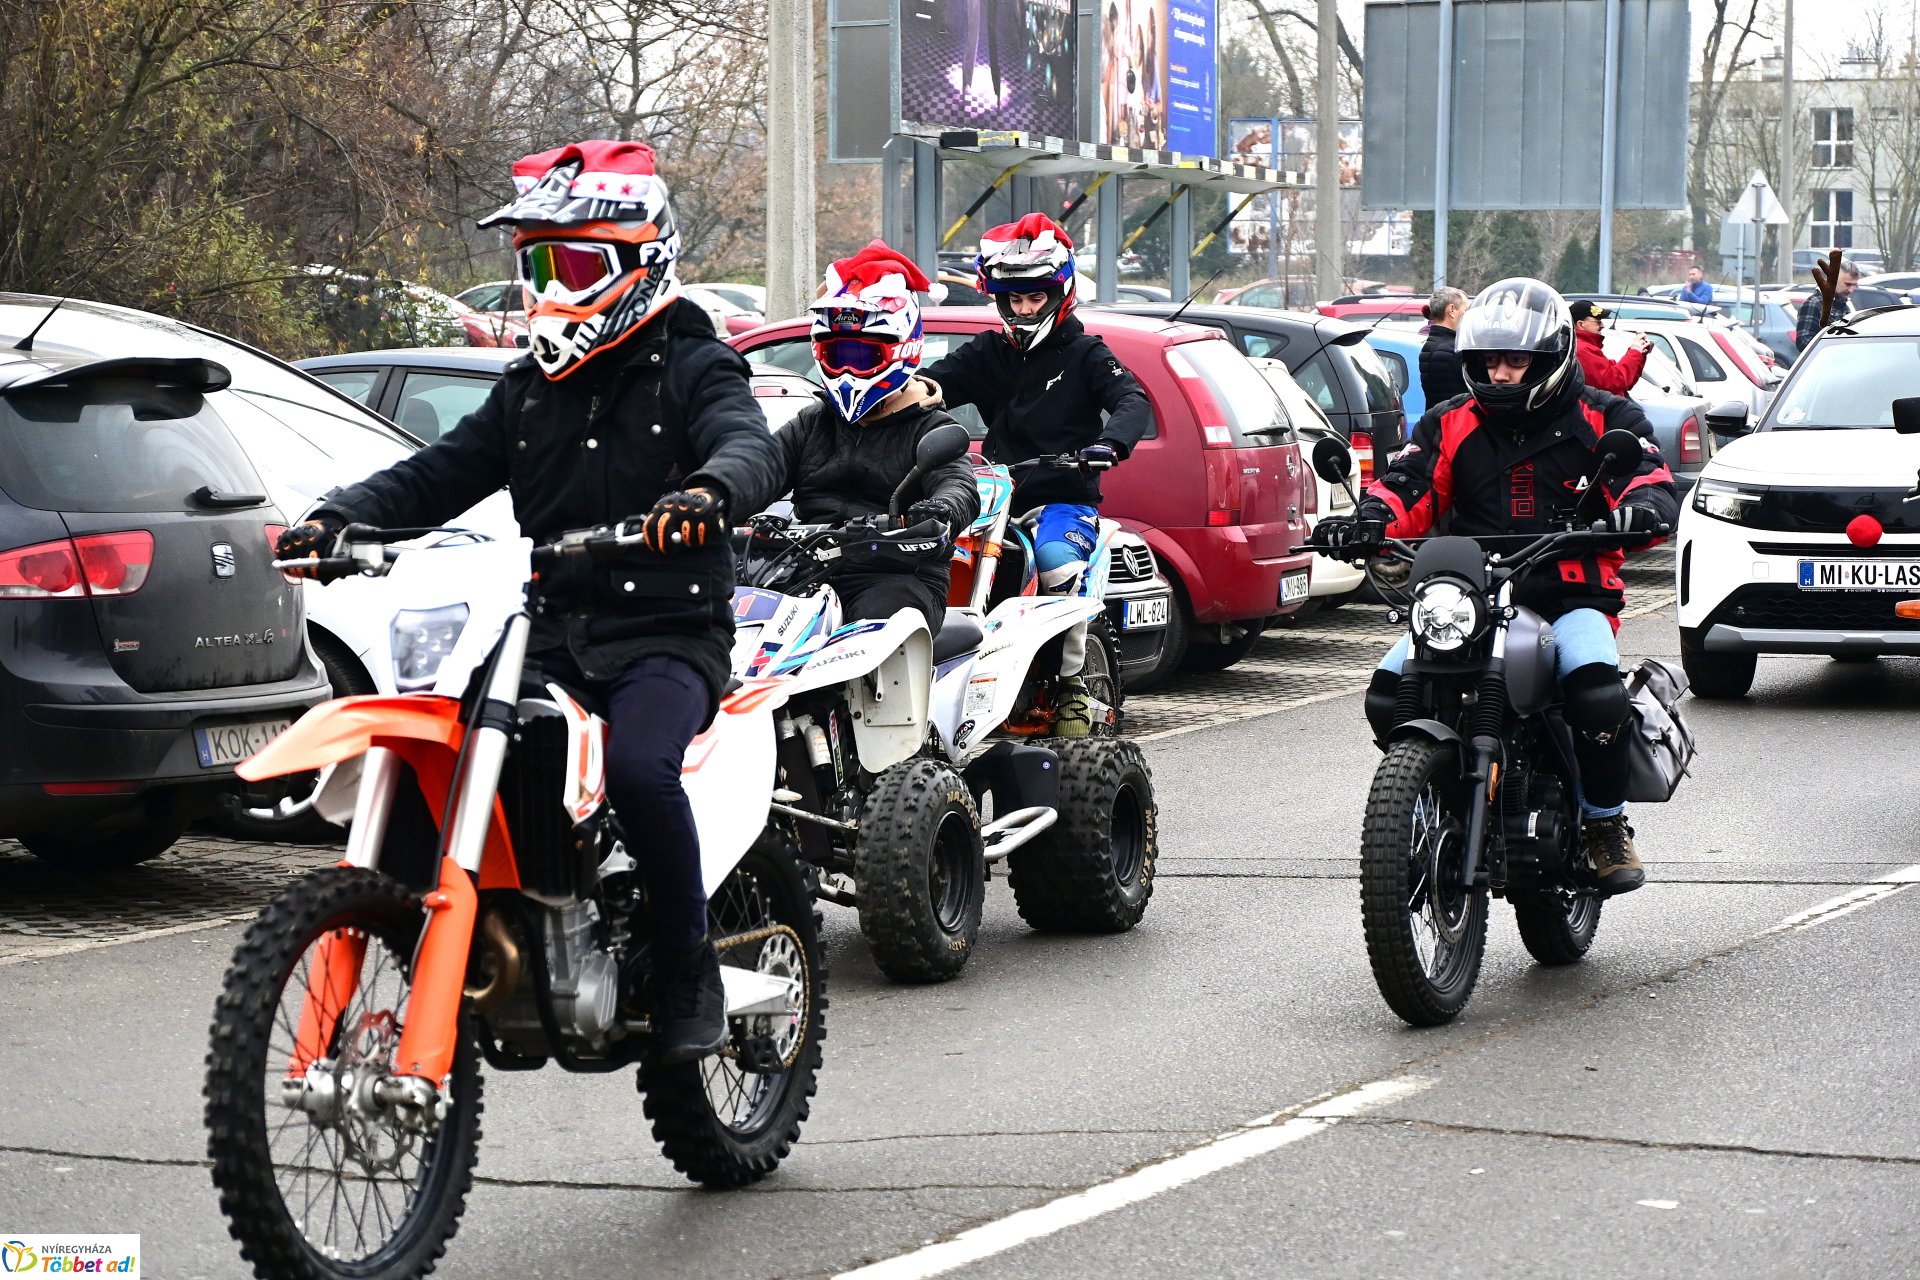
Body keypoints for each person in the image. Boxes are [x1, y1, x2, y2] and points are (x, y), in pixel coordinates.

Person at [274, 141, 784, 1064]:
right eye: (535, 263)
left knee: (636, 770)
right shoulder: (527, 393)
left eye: (574, 263)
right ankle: (456, 938)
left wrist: (708, 494)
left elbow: (749, 445)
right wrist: (337, 519)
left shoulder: (696, 366)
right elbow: (438, 473)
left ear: (641, 265)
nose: (549, 287)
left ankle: (686, 965)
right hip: (550, 637)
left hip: (667, 637)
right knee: (454, 751)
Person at [1312, 278, 1677, 895]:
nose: (1502, 374)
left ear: (1551, 358)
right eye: (1488, 362)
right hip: (1469, 597)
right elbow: (1409, 487)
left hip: (1570, 594)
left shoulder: (1607, 416)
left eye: (1516, 361)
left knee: (1595, 692)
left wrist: (1640, 509)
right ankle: (1435, 789)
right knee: (1385, 694)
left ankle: (1604, 823)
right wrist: (1366, 519)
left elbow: (1649, 476)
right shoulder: (1449, 421)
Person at [915, 212, 1151, 731]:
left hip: (1063, 495)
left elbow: (1132, 399)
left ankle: (1070, 685)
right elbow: (933, 388)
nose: (1022, 309)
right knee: (928, 554)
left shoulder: (1087, 353)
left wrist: (1108, 445)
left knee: (1057, 563)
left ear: (1058, 294)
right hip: (992, 495)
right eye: (1013, 299)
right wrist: (890, 400)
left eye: (1034, 298)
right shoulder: (988, 352)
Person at [775, 243, 981, 632]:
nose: (850, 369)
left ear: (901, 349)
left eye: (864, 355)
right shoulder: (812, 423)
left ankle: (883, 694)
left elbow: (959, 486)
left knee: (878, 628)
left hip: (898, 574)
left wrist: (939, 512)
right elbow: (759, 464)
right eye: (839, 355)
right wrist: (707, 496)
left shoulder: (931, 428)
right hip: (801, 568)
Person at [1569, 299, 1650, 396]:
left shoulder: (1585, 347)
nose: (1602, 325)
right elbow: (1615, 382)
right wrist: (1634, 352)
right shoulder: (1582, 349)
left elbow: (1625, 381)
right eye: (1598, 321)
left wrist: (1639, 354)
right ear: (1581, 324)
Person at [1417, 285, 1470, 406]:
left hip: (1438, 420)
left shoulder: (1431, 344)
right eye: (1466, 310)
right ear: (1452, 310)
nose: (1468, 315)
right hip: (1452, 421)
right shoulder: (1453, 350)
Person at [1795, 256, 1860, 350]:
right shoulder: (1814, 304)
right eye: (1848, 284)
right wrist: (1834, 347)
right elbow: (1803, 342)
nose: (1851, 290)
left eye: (1854, 285)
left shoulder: (1845, 306)